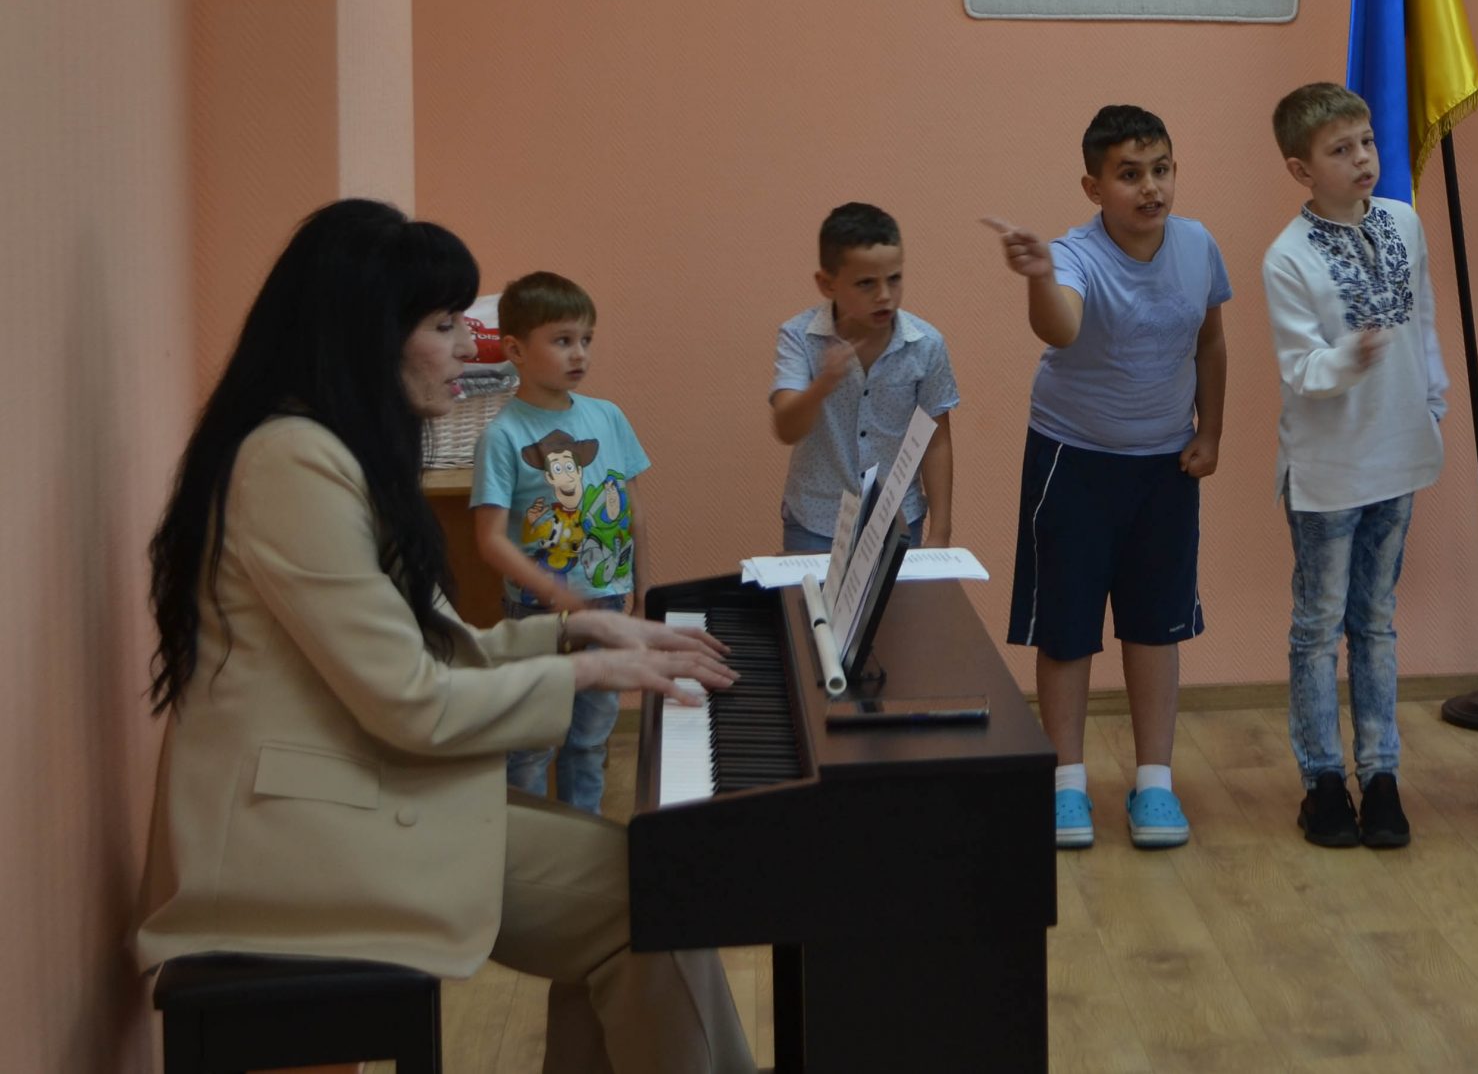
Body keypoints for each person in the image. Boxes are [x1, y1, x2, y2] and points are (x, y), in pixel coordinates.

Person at [136, 199, 751, 1074]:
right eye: (443, 324)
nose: (472, 347)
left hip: (350, 786)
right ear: (366, 333)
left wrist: (580, 632)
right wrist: (591, 673)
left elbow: (434, 648)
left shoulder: (329, 450)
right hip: (294, 837)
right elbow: (412, 702)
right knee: (652, 900)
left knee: (642, 884)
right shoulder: (290, 463)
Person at [985, 105, 1230, 851]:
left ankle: (1155, 782)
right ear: (1094, 187)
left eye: (1161, 169)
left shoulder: (1198, 245)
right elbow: (1060, 327)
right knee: (1067, 629)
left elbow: (1211, 342)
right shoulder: (1075, 254)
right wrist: (1037, 278)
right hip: (1074, 460)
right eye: (1129, 174)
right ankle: (1066, 782)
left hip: (1164, 466)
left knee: (1157, 625)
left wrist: (1210, 432)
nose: (1150, 187)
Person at [1261, 83, 1448, 849]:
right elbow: (1302, 369)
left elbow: (1424, 323)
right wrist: (1352, 356)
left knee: (1375, 622)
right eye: (1340, 150)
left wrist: (1431, 399)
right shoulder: (1288, 257)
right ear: (1301, 170)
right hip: (1328, 471)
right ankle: (1323, 782)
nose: (1363, 159)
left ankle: (1381, 775)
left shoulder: (1404, 223)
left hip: (1397, 455)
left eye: (1366, 142)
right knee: (1318, 627)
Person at [471, 270, 649, 813]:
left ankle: (582, 837)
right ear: (515, 350)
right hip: (537, 616)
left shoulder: (608, 417)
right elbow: (490, 540)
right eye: (562, 340)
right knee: (531, 746)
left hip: (609, 603)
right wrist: (555, 593)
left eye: (586, 340)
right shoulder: (503, 436)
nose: (579, 354)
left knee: (590, 742)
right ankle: (528, 842)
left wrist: (643, 587)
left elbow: (633, 511)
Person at [771, 202, 959, 553]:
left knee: (898, 596)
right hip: (816, 520)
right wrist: (822, 385)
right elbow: (786, 429)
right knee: (811, 595)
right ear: (827, 284)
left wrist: (940, 533)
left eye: (894, 278)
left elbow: (936, 441)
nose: (884, 295)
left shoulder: (925, 344)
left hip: (897, 520)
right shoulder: (799, 337)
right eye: (866, 283)